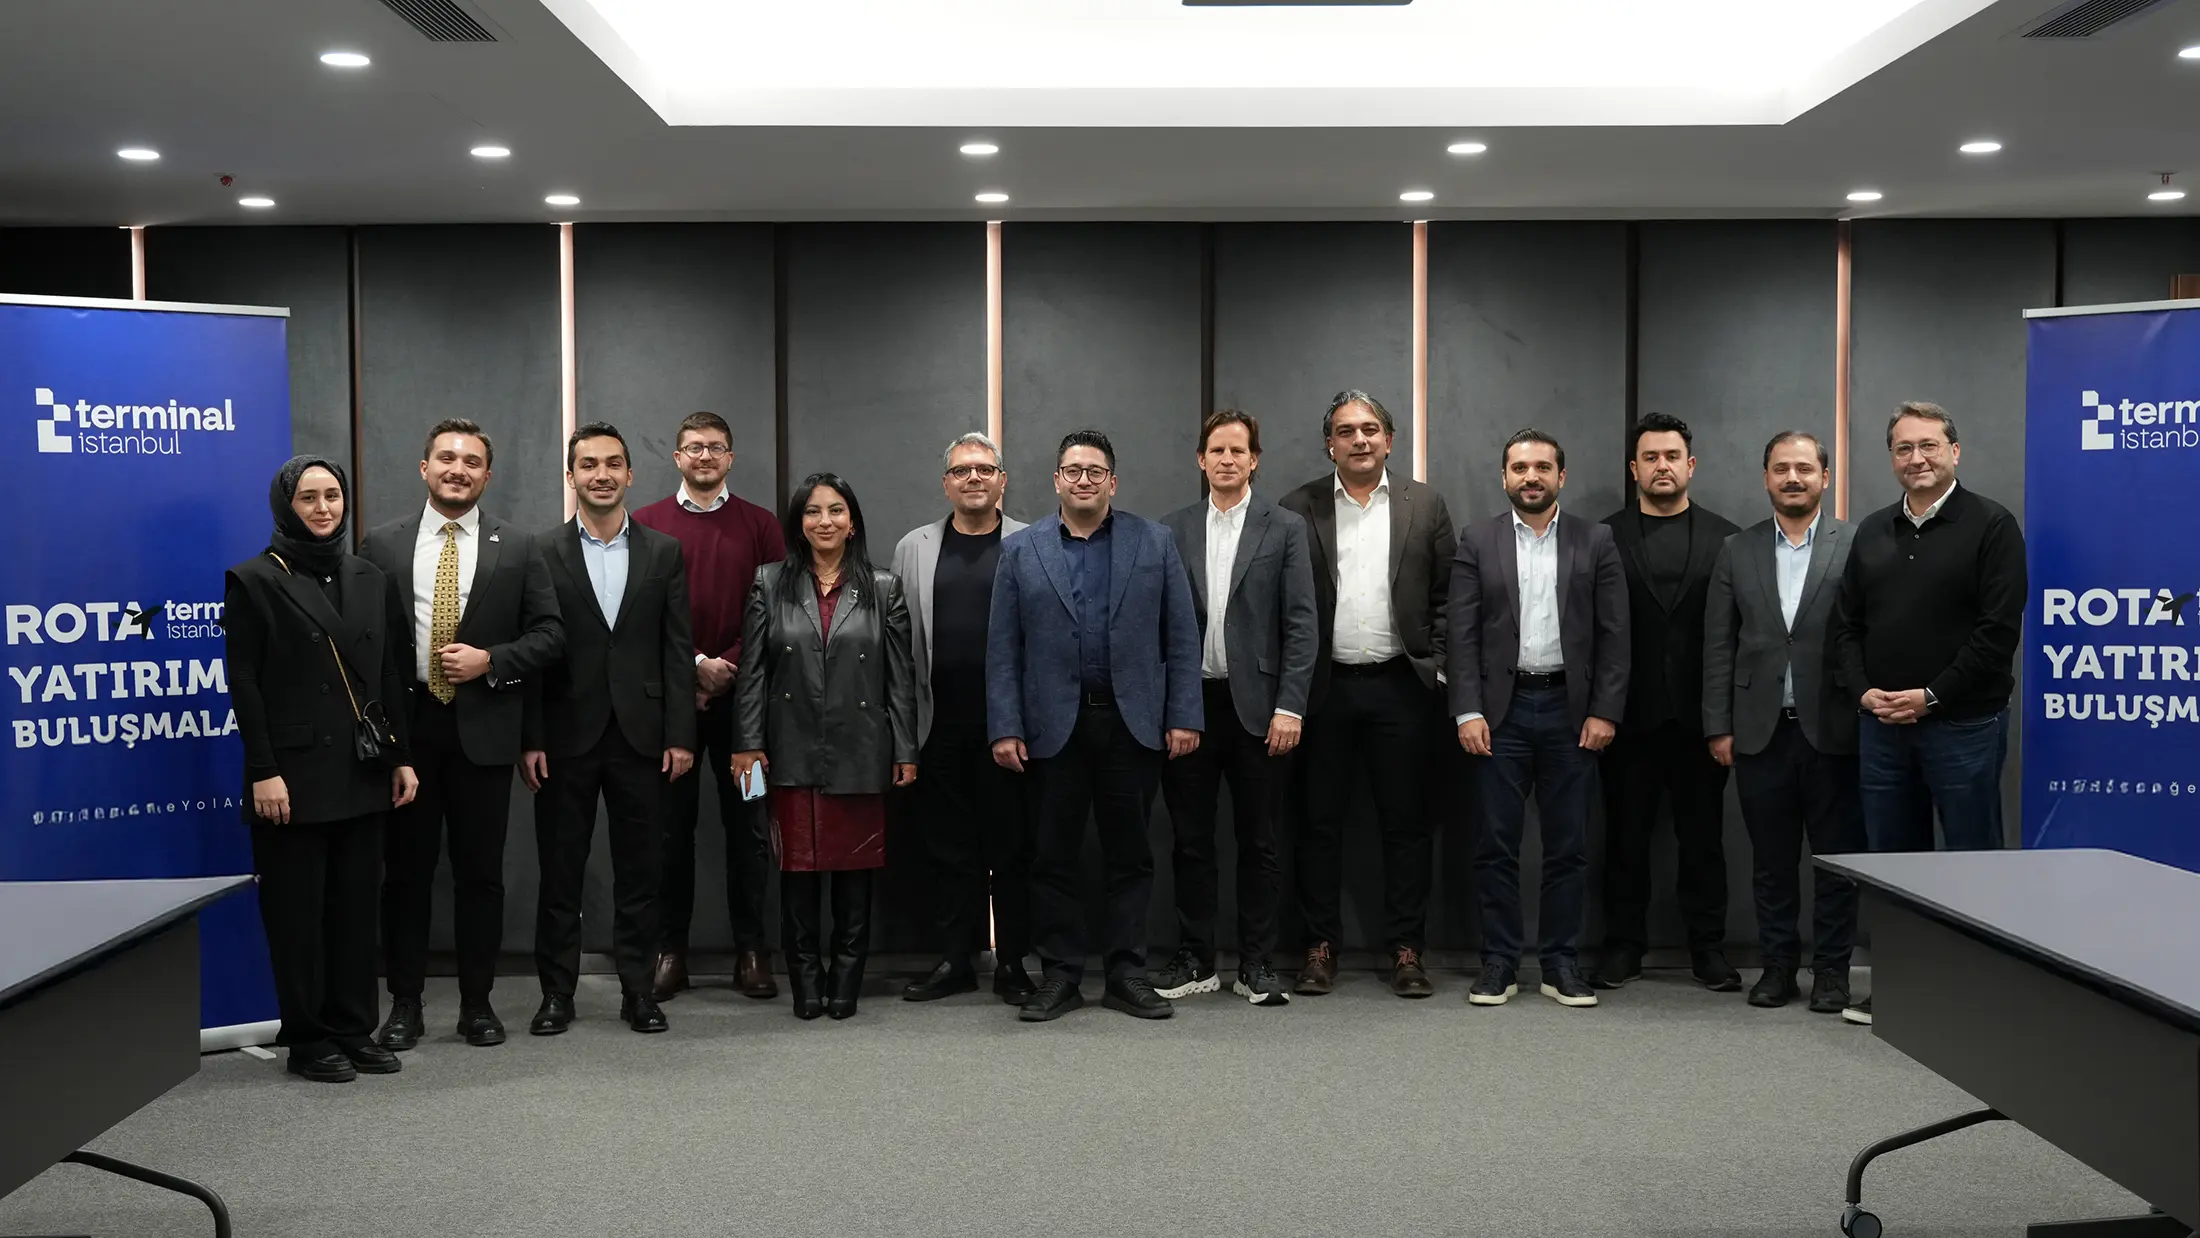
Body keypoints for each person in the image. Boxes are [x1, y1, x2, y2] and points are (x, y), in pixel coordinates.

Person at [363, 419, 564, 1050]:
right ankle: (405, 1004)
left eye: (472, 462)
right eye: (447, 458)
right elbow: (364, 643)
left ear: (487, 475)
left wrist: (491, 661)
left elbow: (551, 635)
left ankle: (478, 1004)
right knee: (406, 876)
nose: (459, 469)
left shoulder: (519, 546)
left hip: (485, 730)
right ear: (424, 467)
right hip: (409, 734)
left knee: (481, 877)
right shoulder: (381, 545)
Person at [988, 429, 1202, 1022]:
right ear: (1056, 480)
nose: (1084, 479)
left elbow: (1182, 637)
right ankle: (1060, 976)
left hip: (1133, 726)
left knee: (1130, 855)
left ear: (1113, 481)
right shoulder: (1021, 550)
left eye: (1095, 471)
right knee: (1052, 855)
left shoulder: (1154, 542)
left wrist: (1184, 714)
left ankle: (1126, 973)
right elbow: (1002, 649)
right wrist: (1004, 725)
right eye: (1073, 470)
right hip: (1050, 729)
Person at [1830, 401, 2025, 1026]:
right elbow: (1846, 627)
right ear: (1891, 458)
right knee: (1894, 864)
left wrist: (1932, 695)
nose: (1916, 458)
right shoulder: (1872, 531)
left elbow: (1997, 633)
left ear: (1954, 452)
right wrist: (1864, 692)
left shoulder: (1992, 525)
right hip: (1883, 726)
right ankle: (1901, 987)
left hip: (1962, 726)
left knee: (1970, 858)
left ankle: (1980, 993)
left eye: (1929, 446)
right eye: (1904, 448)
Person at [225, 456, 420, 1082]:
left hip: (362, 767)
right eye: (307, 497)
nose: (323, 508)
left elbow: (388, 672)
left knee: (355, 912)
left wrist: (400, 756)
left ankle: (353, 1028)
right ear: (285, 505)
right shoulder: (253, 579)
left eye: (332, 495)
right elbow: (244, 682)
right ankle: (308, 1040)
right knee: (297, 916)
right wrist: (263, 769)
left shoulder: (370, 576)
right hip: (291, 774)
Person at [519, 423, 697, 1036]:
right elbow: (533, 650)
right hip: (563, 736)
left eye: (613, 463)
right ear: (571, 476)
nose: (602, 474)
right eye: (589, 464)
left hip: (643, 737)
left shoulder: (664, 552)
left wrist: (681, 734)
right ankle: (556, 995)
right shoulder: (541, 551)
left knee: (641, 873)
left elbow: (677, 649)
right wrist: (531, 737)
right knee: (560, 874)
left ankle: (638, 992)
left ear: (630, 474)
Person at [1278, 390, 1455, 998]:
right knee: (1317, 825)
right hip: (1322, 690)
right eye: (1346, 430)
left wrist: (1439, 667)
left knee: (1406, 826)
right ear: (1329, 443)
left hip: (1400, 689)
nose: (1360, 439)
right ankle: (1319, 946)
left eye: (1370, 429)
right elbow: (1283, 603)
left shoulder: (1424, 504)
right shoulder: (1297, 506)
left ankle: (1406, 948)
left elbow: (1447, 597)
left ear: (1389, 439)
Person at [1451, 429, 1627, 1009]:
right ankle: (1499, 963)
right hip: (1498, 714)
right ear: (1504, 477)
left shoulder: (1594, 540)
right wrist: (1468, 710)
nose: (1531, 477)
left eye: (1543, 467)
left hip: (1569, 714)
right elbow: (1461, 634)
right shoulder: (1478, 539)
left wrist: (1604, 711)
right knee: (1495, 845)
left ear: (1561, 476)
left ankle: (1560, 964)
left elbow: (1615, 635)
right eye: (1520, 467)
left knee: (1568, 847)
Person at [733, 473, 917, 1021]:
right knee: (798, 874)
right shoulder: (770, 582)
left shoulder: (883, 588)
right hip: (790, 749)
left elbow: (900, 680)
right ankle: (806, 984)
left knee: (855, 875)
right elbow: (753, 674)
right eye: (813, 512)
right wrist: (747, 743)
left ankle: (845, 983)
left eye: (836, 510)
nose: (825, 521)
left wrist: (905, 750)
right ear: (799, 524)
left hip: (861, 750)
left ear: (852, 521)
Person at [1153, 410, 1318, 1007]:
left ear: (1254, 460)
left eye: (1238, 451)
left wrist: (1290, 707)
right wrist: (1172, 709)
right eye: (1216, 450)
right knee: (1191, 842)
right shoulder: (1170, 530)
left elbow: (1301, 624)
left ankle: (1256, 964)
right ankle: (1196, 958)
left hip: (1262, 712)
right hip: (1191, 707)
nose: (1227, 460)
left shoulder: (1285, 528)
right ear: (1201, 460)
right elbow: (1160, 627)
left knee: (1261, 843)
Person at [1703, 431, 1865, 1014]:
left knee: (1837, 862)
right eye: (1781, 469)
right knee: (1770, 862)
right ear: (1766, 478)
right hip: (1758, 732)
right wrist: (1718, 725)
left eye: (1804, 468)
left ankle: (1832, 973)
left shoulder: (1856, 542)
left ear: (1825, 477)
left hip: (1835, 730)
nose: (1792, 478)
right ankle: (1777, 968)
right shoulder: (1736, 549)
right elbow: (1718, 644)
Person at [631, 411, 785, 1003]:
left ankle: (752, 950)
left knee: (750, 829)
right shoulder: (646, 524)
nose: (704, 456)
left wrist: (728, 668)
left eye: (715, 448)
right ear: (677, 458)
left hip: (748, 714)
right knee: (670, 832)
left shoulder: (761, 526)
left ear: (730, 458)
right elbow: (639, 616)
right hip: (672, 711)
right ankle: (671, 951)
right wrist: (695, 665)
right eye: (694, 447)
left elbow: (778, 612)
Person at [1594, 412, 1741, 992]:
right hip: (1625, 718)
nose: (1662, 466)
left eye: (1672, 456)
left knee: (1703, 842)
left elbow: (1736, 634)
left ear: (1690, 465)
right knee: (1624, 840)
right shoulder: (1603, 537)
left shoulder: (1728, 539)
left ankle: (1708, 948)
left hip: (1702, 722)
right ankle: (1622, 946)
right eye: (1651, 457)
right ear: (1634, 469)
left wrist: (1724, 718)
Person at [892, 433, 1035, 1004]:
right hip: (938, 726)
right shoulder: (915, 547)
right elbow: (899, 648)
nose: (973, 478)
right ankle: (956, 959)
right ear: (945, 483)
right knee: (948, 850)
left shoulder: (1032, 541)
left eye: (984, 469)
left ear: (1002, 480)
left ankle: (1014, 964)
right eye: (961, 470)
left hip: (1011, 729)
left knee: (1013, 850)